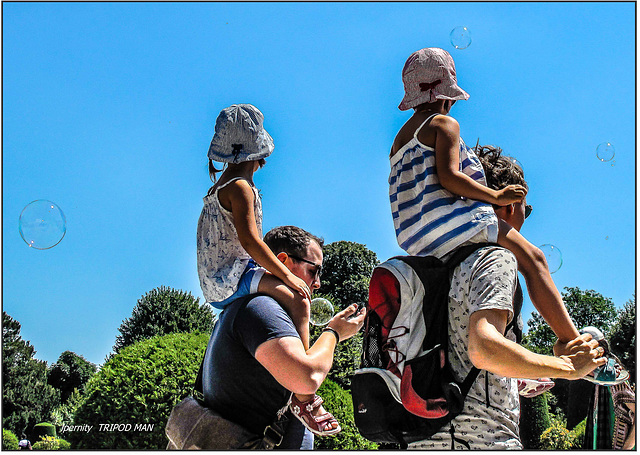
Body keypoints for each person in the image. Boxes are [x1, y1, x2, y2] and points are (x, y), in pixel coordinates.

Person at [409, 146, 607, 449]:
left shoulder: (435, 261)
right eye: (525, 210)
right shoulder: (493, 258)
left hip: (424, 437)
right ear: (512, 205)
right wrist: (568, 363)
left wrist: (517, 375)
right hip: (480, 439)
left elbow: (457, 354)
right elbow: (484, 349)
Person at [389, 48, 582, 354]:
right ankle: (569, 341)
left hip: (419, 242)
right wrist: (496, 196)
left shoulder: (399, 142)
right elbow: (450, 177)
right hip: (455, 227)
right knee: (533, 259)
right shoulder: (443, 124)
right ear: (447, 94)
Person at [197, 105, 340, 435]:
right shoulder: (241, 187)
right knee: (300, 300)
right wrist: (289, 277)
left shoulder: (215, 191)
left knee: (294, 295)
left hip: (218, 282)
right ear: (257, 153)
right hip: (234, 276)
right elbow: (251, 242)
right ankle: (304, 397)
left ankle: (301, 386)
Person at [202, 225, 366, 448]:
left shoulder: (251, 308)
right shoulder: (261, 308)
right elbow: (306, 378)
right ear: (283, 261)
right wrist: (334, 333)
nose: (317, 283)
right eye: (313, 271)